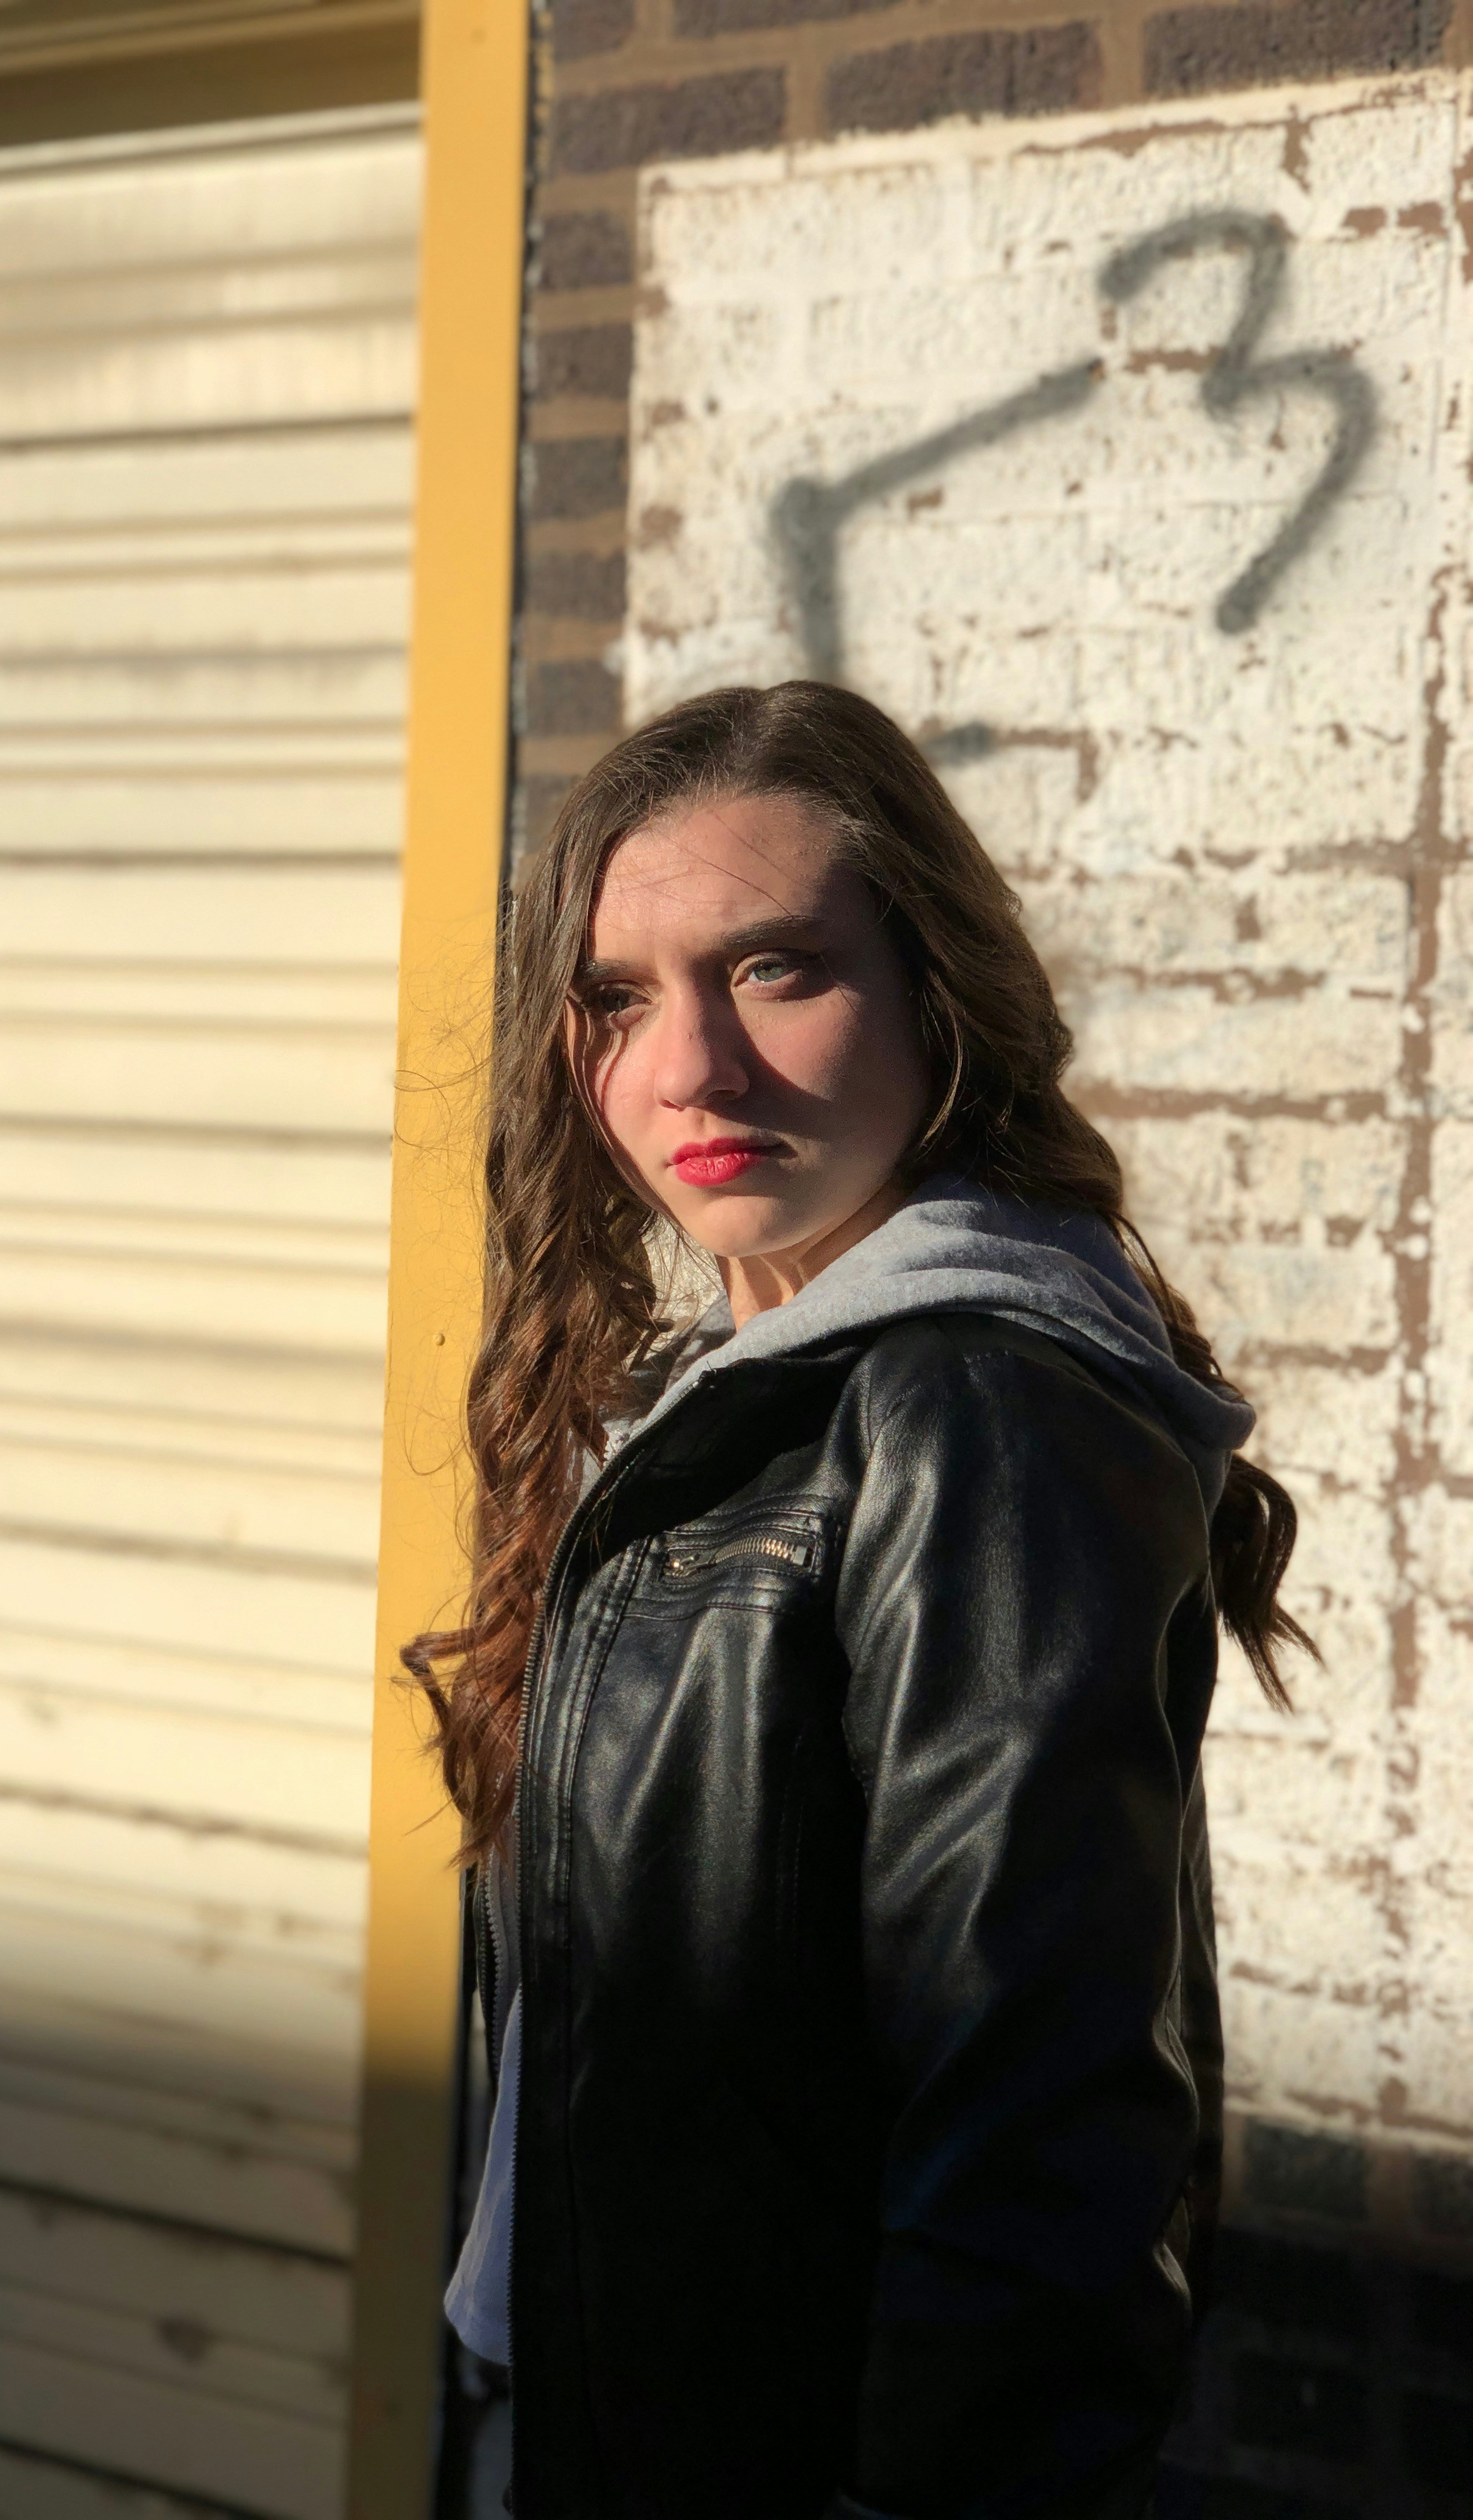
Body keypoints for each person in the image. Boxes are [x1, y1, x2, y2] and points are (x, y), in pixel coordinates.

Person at [406, 681, 1311, 2520]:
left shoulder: (968, 1407)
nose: (691, 1072)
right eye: (615, 999)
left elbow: (1039, 2117)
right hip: (607, 2415)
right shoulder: (725, 1405)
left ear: (937, 1001)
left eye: (777, 971)